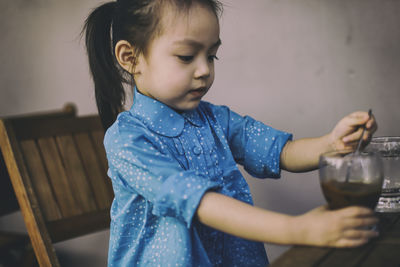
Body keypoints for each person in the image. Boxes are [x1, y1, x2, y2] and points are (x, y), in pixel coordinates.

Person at [83, 0, 378, 266]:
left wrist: (332, 143)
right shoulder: (128, 140)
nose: (204, 70)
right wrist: (296, 229)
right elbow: (200, 203)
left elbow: (283, 152)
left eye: (212, 56)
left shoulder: (216, 119)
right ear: (130, 57)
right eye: (186, 56)